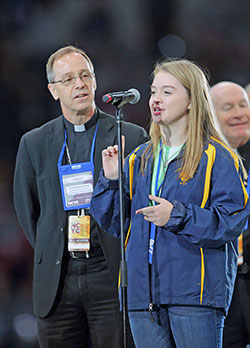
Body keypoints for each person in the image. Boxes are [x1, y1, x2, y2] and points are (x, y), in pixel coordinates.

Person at [90, 58, 250, 348]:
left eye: (167, 91)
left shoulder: (219, 157)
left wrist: (177, 216)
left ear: (191, 100)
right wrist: (112, 180)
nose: (155, 100)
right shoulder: (139, 158)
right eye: (153, 91)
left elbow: (232, 221)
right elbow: (115, 223)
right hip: (143, 295)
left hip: (194, 295)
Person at [13, 45, 149, 348]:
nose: (79, 84)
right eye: (69, 79)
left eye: (85, 75)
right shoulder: (34, 143)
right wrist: (54, 246)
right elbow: (27, 209)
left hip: (110, 273)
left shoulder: (130, 135)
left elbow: (140, 206)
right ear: (53, 90)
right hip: (58, 278)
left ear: (96, 81)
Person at [210, 81, 250, 348]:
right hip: (222, 286)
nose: (239, 113)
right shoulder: (204, 163)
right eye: (228, 107)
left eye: (243, 105)